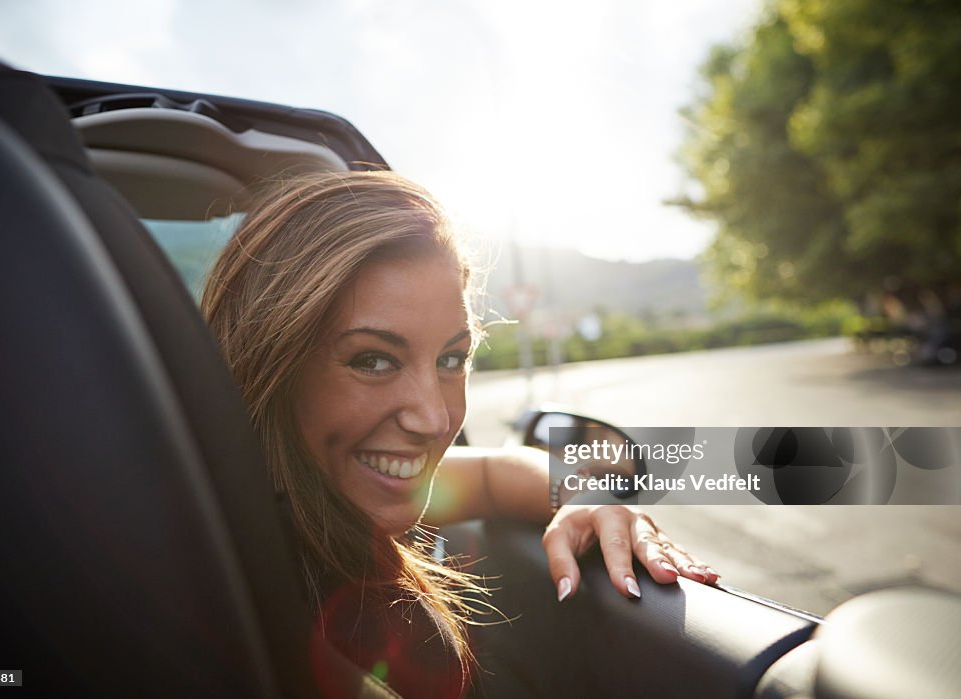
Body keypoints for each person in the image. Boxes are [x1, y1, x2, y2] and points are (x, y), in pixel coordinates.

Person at [201, 171, 717, 697]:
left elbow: (492, 474)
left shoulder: (321, 488)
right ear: (270, 366)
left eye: (452, 358)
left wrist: (582, 496)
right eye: (373, 360)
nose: (435, 419)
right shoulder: (239, 586)